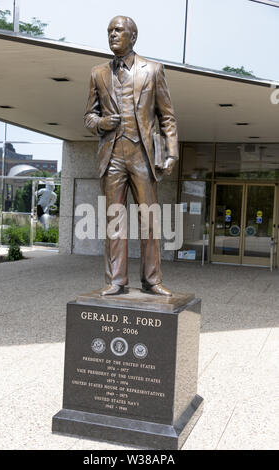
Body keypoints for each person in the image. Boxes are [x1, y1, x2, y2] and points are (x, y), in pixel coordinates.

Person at [84, 15, 179, 296]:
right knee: (115, 220)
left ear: (133, 37)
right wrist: (101, 123)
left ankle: (152, 280)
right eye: (109, 31)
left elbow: (168, 117)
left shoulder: (153, 69)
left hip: (142, 155)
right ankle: (116, 280)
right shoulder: (97, 73)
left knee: (149, 220)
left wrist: (171, 153)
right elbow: (89, 116)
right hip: (111, 155)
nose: (113, 34)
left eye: (119, 30)